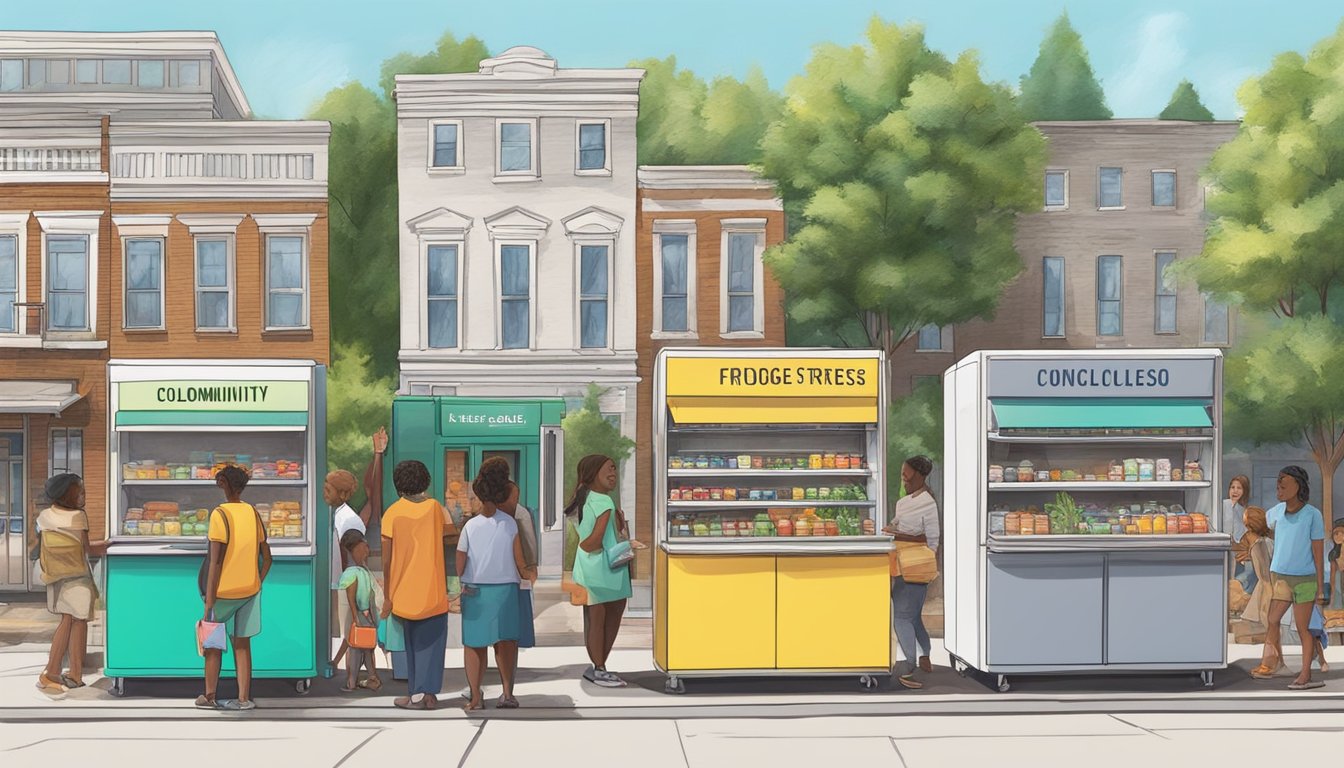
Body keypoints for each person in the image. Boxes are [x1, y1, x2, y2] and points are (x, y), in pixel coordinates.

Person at [457, 459, 535, 710]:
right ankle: (507, 693)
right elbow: (519, 560)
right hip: (506, 589)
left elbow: (460, 563)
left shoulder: (470, 526)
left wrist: (459, 581)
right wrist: (529, 574)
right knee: (506, 643)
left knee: (474, 644)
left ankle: (476, 697)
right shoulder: (510, 522)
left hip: (475, 589)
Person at [565, 454, 645, 688]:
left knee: (593, 620)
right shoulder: (605, 502)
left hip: (586, 568)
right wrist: (628, 543)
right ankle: (600, 668)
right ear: (593, 474)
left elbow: (585, 542)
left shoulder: (582, 499)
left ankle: (597, 667)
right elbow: (592, 542)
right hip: (608, 569)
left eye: (614, 469)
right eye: (608, 470)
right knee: (608, 620)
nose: (613, 475)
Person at [199, 465, 272, 711]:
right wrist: (257, 580)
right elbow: (268, 557)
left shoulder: (220, 515)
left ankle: (209, 696)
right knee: (242, 644)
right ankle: (243, 698)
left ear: (224, 484)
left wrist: (209, 602)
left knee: (212, 645)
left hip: (223, 592)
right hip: (249, 591)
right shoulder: (252, 513)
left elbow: (215, 563)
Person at [380, 460, 452, 710]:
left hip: (404, 591)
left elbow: (387, 560)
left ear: (398, 485)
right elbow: (451, 532)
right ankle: (428, 695)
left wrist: (388, 595)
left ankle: (417, 694)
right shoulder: (435, 508)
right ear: (425, 481)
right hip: (432, 588)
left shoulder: (392, 513)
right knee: (432, 644)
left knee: (412, 645)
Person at [1250, 466, 1326, 690]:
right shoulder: (1274, 512)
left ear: (1298, 487)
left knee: (1303, 628)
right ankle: (1274, 663)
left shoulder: (1313, 514)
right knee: (1273, 620)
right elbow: (1269, 533)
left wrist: (1320, 587)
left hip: (1305, 579)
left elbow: (1318, 552)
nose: (1279, 489)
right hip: (1280, 578)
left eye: (1284, 486)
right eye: (1278, 486)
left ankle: (1305, 675)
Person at [34, 474, 107, 695]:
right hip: (77, 577)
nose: (83, 495)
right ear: (69, 494)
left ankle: (73, 674)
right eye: (80, 491)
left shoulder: (44, 516)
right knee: (75, 623)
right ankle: (53, 672)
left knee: (70, 621)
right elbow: (88, 549)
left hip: (56, 577)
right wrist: (110, 544)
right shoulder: (78, 516)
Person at [326, 427, 387, 669]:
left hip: (345, 583)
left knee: (352, 629)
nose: (323, 493)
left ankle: (342, 668)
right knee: (352, 629)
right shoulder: (338, 514)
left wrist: (378, 455)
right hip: (343, 582)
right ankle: (349, 668)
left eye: (328, 489)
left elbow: (373, 497)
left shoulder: (348, 519)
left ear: (342, 494)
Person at [883, 455, 940, 690]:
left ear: (919, 475)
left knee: (901, 617)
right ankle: (925, 653)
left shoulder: (929, 503)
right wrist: (890, 528)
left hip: (917, 565)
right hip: (900, 563)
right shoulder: (904, 502)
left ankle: (908, 667)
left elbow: (932, 539)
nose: (903, 478)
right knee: (913, 617)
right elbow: (898, 522)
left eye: (907, 474)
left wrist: (899, 536)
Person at [337, 529, 382, 693]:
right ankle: (370, 678)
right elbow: (354, 596)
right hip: (364, 615)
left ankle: (353, 682)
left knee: (357, 648)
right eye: (364, 547)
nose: (367, 551)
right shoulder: (357, 573)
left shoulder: (354, 573)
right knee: (365, 648)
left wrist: (357, 618)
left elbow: (351, 598)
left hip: (361, 616)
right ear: (354, 549)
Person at [503, 481, 539, 649]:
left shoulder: (519, 513)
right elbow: (530, 541)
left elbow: (529, 541)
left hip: (517, 569)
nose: (516, 500)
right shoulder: (516, 513)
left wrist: (531, 566)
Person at [1238, 506, 1273, 638]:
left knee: (1265, 615)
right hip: (1265, 584)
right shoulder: (1262, 542)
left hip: (1266, 585)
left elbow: (1263, 571)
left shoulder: (1258, 543)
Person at [1224, 476, 1252, 589]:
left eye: (1239, 488)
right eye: (1232, 487)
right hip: (1225, 551)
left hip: (1239, 557)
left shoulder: (1246, 511)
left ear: (1245, 490)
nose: (1235, 491)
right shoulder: (1223, 505)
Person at [1329, 521, 1344, 611]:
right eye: (1335, 534)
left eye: (1341, 533)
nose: (1338, 536)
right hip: (1339, 586)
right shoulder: (1333, 554)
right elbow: (1332, 576)